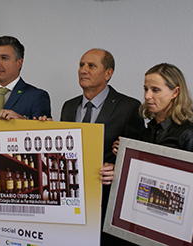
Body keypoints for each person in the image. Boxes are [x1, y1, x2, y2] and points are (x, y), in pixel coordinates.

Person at [59, 49, 145, 245]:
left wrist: (118, 168)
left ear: (108, 73)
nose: (84, 70)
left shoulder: (129, 107)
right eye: (81, 65)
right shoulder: (69, 106)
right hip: (71, 202)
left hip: (107, 206)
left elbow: (139, 158)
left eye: (91, 66)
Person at [113, 63, 193, 155]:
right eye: (146, 89)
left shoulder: (190, 135)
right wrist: (123, 158)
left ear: (175, 92)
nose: (147, 96)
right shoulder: (146, 134)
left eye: (155, 90)